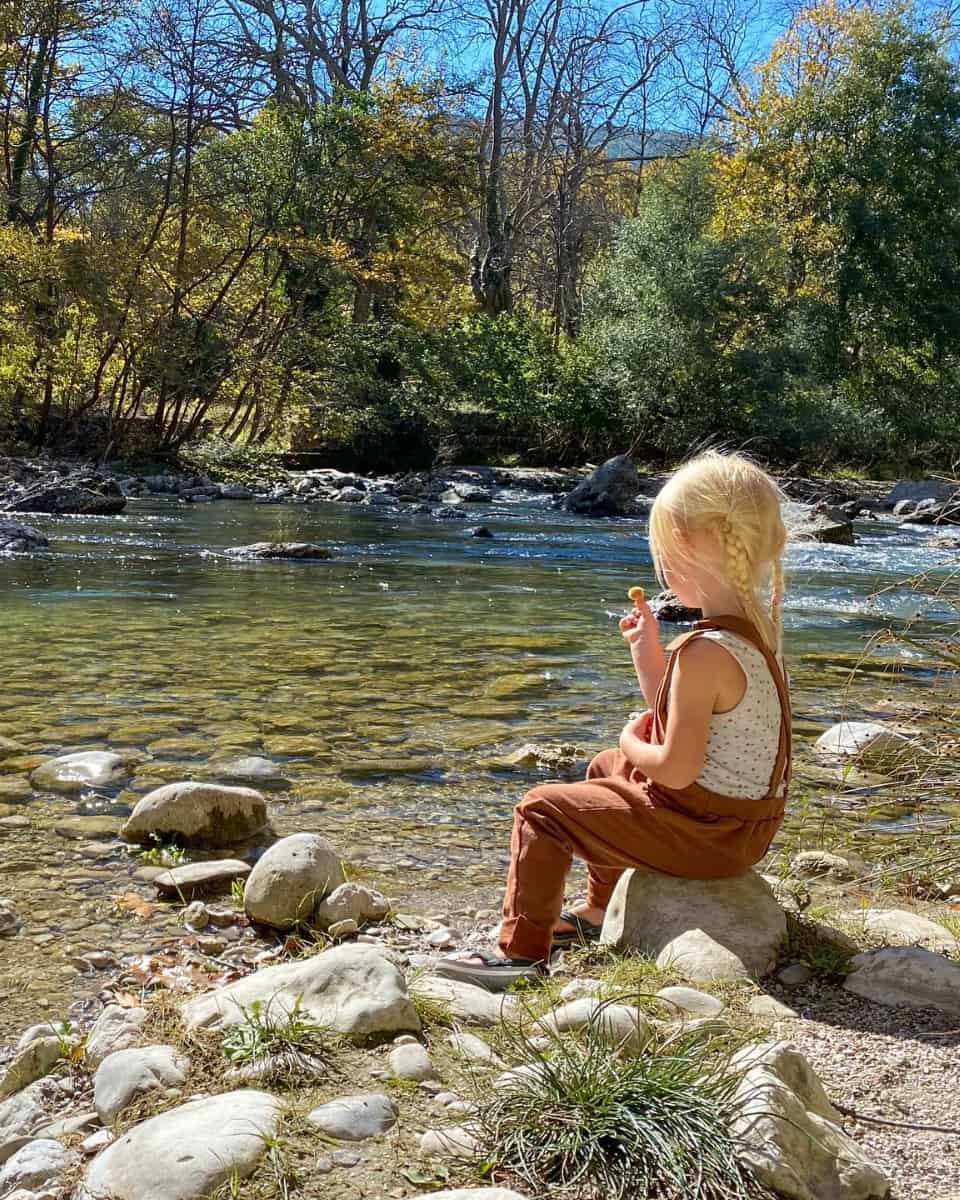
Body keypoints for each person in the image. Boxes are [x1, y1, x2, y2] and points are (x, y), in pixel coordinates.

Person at [437, 450, 791, 992]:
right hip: (742, 827)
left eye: (664, 554)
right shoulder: (755, 634)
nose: (663, 570)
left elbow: (673, 768)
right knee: (609, 764)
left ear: (690, 544)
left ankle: (521, 954)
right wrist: (647, 654)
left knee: (541, 810)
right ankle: (600, 911)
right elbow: (682, 715)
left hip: (709, 835)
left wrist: (632, 733)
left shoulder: (703, 651)